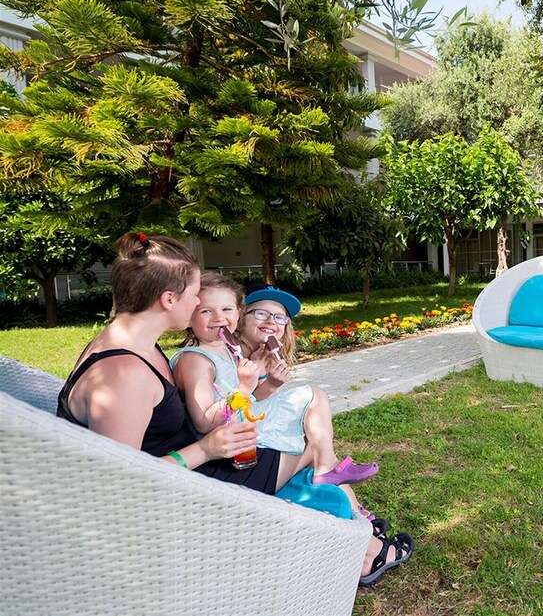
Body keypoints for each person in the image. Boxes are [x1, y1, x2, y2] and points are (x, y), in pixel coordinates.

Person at [57, 233, 411, 587]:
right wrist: (205, 449)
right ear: (169, 299)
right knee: (309, 445)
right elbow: (120, 484)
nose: (198, 300)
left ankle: (360, 535)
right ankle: (366, 548)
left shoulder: (132, 345)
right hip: (194, 494)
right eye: (195, 293)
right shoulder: (123, 374)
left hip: (195, 473)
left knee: (310, 440)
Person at [170, 273, 379, 486]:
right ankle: (327, 468)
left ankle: (332, 478)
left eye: (227, 309)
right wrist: (244, 387)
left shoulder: (225, 350)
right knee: (314, 399)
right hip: (226, 448)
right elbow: (204, 423)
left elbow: (248, 400)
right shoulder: (196, 359)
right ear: (188, 317)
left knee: (315, 434)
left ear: (237, 313)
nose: (219, 318)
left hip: (240, 433)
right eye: (206, 311)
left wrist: (267, 383)